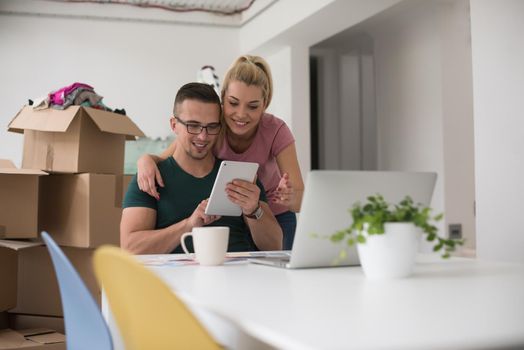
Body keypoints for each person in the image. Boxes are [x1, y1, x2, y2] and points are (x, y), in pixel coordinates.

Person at [137, 55, 304, 250]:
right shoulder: (212, 126)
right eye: (233, 103)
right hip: (234, 216)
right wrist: (145, 159)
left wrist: (290, 198)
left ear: (265, 104)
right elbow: (164, 158)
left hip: (275, 217)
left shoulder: (276, 130)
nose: (241, 114)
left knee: (279, 276)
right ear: (222, 98)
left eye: (252, 106)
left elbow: (299, 202)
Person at [121, 82, 282, 254]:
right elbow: (130, 248)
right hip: (176, 279)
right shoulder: (151, 177)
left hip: (239, 277)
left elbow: (275, 246)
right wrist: (189, 225)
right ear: (174, 125)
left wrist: (253, 210)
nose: (203, 136)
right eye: (193, 125)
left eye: (211, 127)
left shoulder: (238, 176)